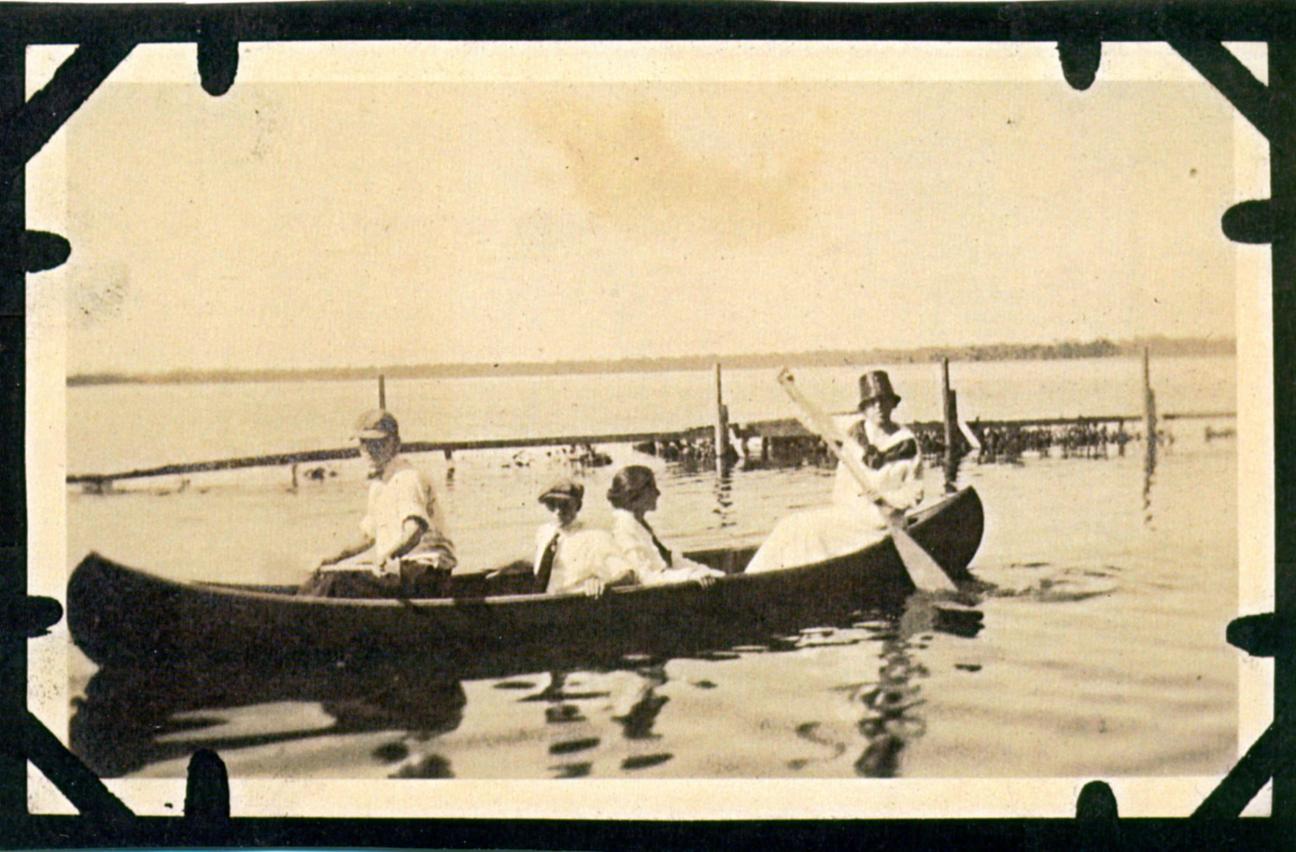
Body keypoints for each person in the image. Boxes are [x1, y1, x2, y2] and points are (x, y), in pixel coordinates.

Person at [745, 370, 924, 574]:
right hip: (849, 517)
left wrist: (886, 499)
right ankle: (751, 575)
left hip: (882, 524)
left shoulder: (907, 444)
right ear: (864, 408)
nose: (879, 407)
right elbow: (816, 420)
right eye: (872, 403)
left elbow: (915, 492)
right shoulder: (852, 430)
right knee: (789, 526)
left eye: (884, 401)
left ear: (892, 404)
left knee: (801, 527)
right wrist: (792, 392)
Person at [299, 409, 456, 598]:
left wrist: (388, 556)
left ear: (396, 444)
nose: (369, 450)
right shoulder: (379, 485)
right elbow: (367, 537)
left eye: (378, 443)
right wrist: (331, 558)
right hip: (401, 570)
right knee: (324, 577)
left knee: (337, 582)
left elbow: (414, 531)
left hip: (426, 574)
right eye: (364, 443)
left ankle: (295, 617)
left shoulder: (407, 478)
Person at [606, 465, 723, 587]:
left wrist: (704, 572)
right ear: (634, 495)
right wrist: (689, 576)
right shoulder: (624, 529)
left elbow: (669, 560)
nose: (658, 493)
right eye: (651, 488)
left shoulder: (638, 524)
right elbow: (645, 578)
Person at [532, 478, 635, 598]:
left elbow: (627, 575)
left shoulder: (595, 537)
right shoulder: (544, 533)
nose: (558, 511)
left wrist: (603, 584)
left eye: (565, 504)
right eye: (551, 504)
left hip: (574, 606)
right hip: (544, 602)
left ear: (578, 506)